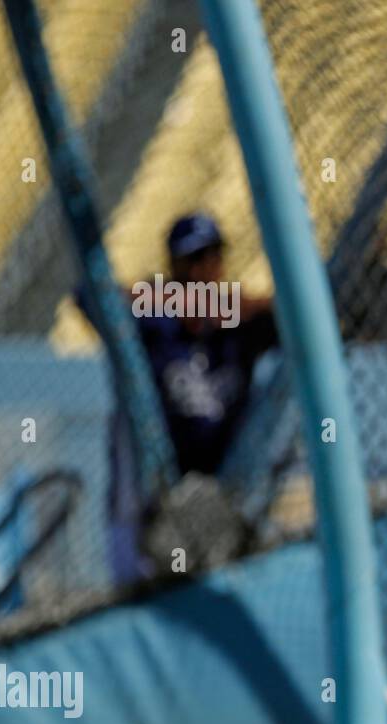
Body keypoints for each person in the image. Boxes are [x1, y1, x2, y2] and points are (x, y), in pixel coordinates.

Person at [106, 213, 277, 585]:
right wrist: (174, 300)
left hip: (223, 489)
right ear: (174, 266)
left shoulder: (240, 329)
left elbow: (299, 318)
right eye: (194, 260)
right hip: (157, 489)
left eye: (213, 257)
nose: (204, 269)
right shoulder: (155, 323)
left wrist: (232, 306)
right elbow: (89, 297)